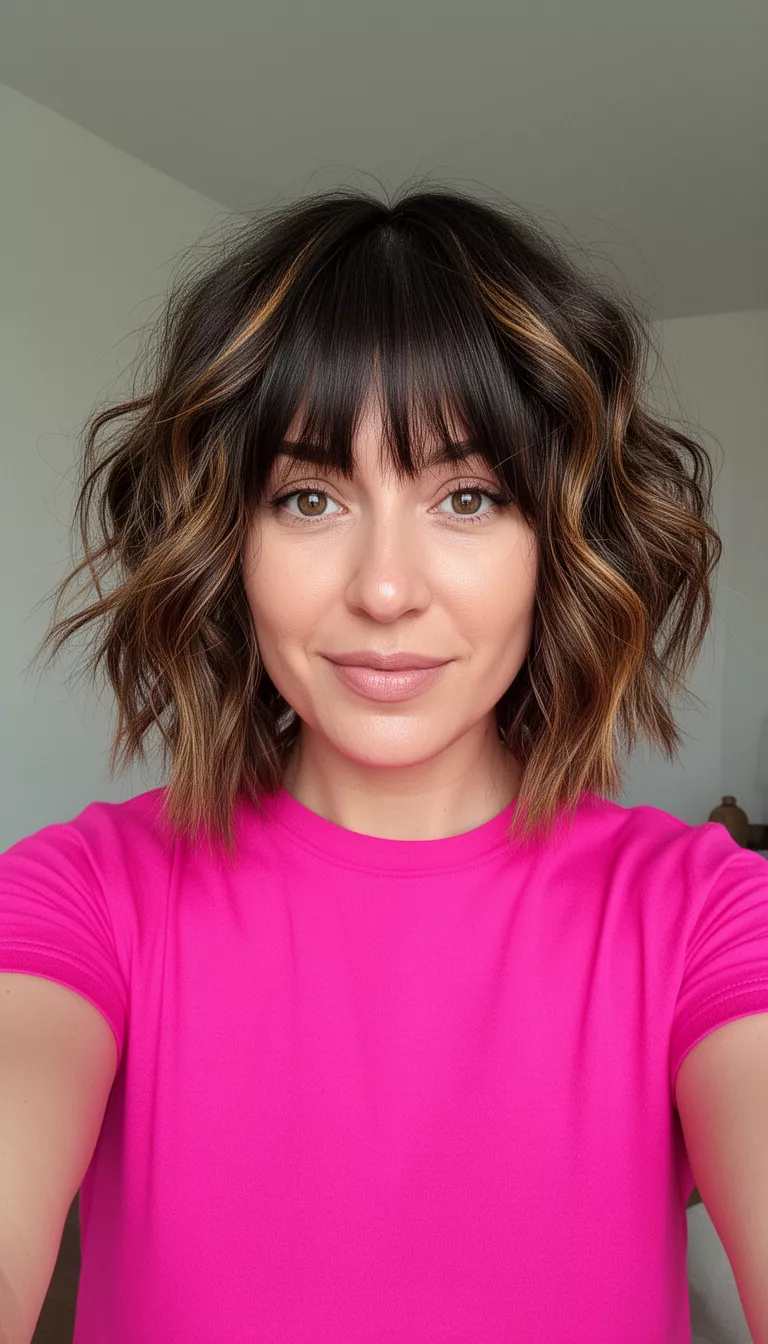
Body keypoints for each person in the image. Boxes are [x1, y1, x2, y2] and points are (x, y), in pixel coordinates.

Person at [1, 183, 767, 1344]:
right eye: (310, 497)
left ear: (559, 543)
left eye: (469, 497)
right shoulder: (84, 896)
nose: (387, 588)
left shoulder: (705, 914)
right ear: (228, 543)